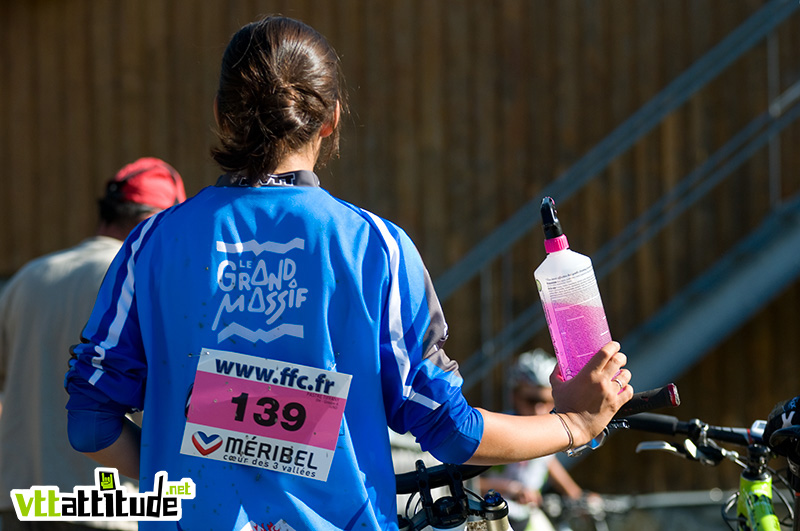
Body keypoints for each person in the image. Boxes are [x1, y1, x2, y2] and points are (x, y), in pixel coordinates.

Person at [64, 16, 633, 531]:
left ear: (220, 115)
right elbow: (452, 432)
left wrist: (196, 464)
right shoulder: (376, 248)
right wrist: (576, 423)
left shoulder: (150, 245)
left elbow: (90, 424)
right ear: (332, 119)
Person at [0, 157, 186, 530]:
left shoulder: (27, 277)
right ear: (161, 222)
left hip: (20, 503)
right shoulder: (141, 285)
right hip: (107, 508)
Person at [480, 349, 595, 531]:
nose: (539, 410)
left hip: (527, 515)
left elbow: (548, 462)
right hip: (491, 519)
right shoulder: (497, 430)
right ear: (514, 395)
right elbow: (467, 483)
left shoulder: (547, 428)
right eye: (531, 400)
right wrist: (510, 488)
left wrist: (578, 496)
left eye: (548, 401)